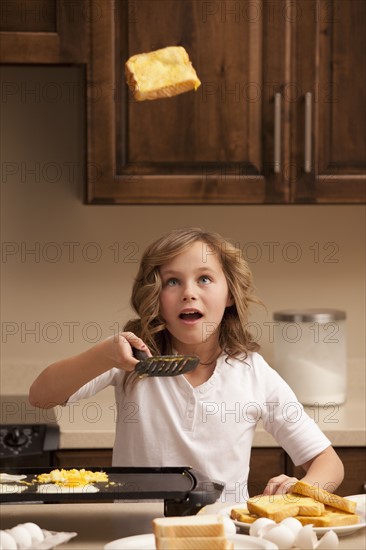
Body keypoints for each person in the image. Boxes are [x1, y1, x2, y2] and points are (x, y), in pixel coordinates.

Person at [29, 227, 344, 503]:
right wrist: (103, 354)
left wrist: (302, 489)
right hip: (138, 534)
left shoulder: (253, 373)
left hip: (222, 535)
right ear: (155, 295)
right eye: (172, 282)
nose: (189, 293)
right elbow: (41, 396)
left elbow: (329, 463)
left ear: (230, 294)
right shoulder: (132, 358)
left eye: (204, 279)